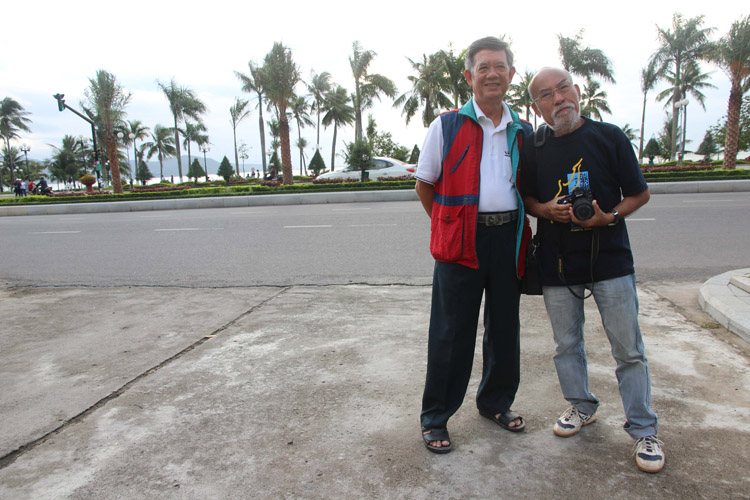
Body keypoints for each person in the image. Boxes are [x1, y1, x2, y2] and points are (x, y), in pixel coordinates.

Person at [519, 67, 664, 473]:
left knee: (628, 350)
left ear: (578, 91)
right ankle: (581, 406)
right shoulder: (534, 147)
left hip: (611, 260)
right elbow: (526, 197)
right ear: (537, 107)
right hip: (557, 263)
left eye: (564, 88)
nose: (559, 98)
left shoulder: (609, 136)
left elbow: (640, 193)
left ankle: (643, 429)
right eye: (546, 94)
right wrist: (545, 209)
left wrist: (608, 216)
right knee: (566, 345)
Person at [416, 36, 533, 454]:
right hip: (461, 241)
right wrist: (449, 225)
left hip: (508, 238)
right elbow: (425, 184)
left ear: (511, 74)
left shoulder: (523, 130)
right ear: (469, 76)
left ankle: (495, 402)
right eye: (484, 67)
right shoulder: (446, 125)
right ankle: (435, 417)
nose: (492, 74)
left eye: (500, 66)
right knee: (451, 332)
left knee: (504, 326)